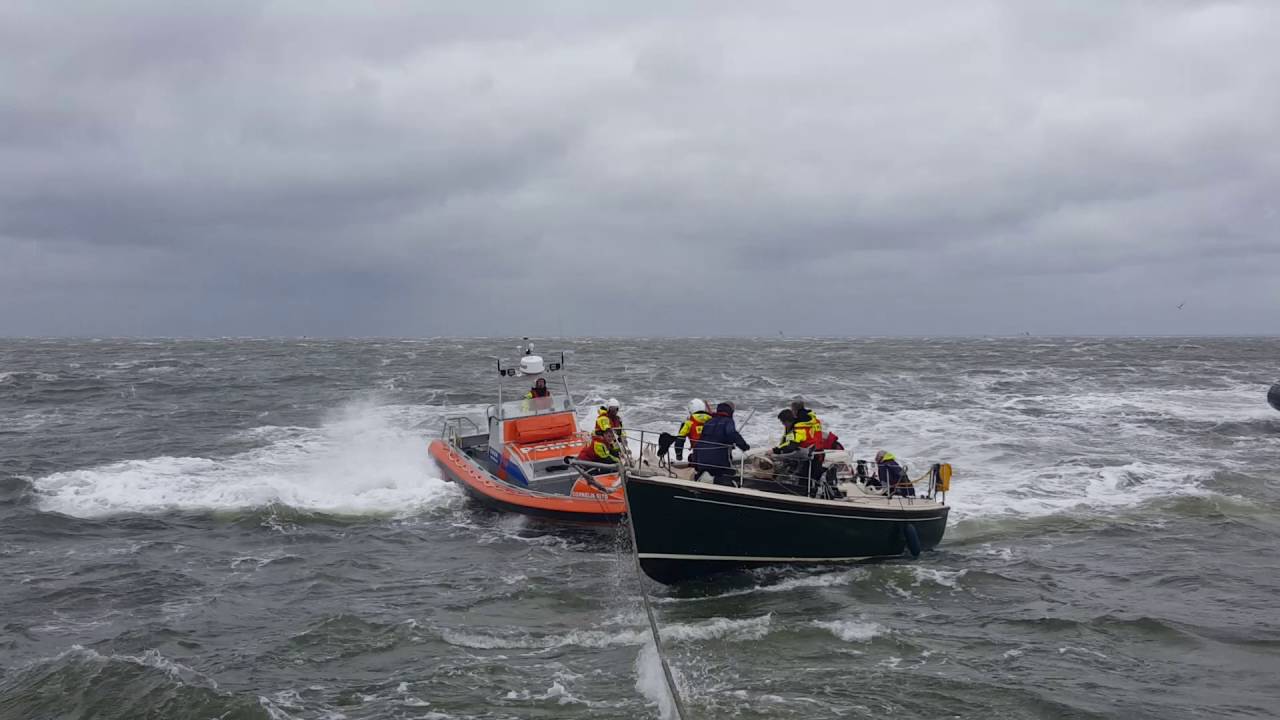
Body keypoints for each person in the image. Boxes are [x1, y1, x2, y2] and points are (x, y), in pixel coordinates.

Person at [690, 402, 750, 486]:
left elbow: (701, 442)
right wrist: (744, 446)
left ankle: (703, 476)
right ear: (730, 412)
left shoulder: (708, 422)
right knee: (731, 473)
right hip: (719, 463)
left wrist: (696, 463)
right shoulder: (728, 421)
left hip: (701, 462)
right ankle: (723, 482)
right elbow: (731, 433)